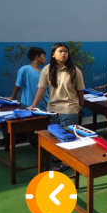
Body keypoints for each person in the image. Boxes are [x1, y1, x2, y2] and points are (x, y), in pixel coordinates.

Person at [31, 43, 85, 173]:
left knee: (68, 137)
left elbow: (80, 91)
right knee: (55, 135)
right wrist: (33, 105)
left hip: (69, 108)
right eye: (60, 51)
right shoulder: (47, 69)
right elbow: (41, 88)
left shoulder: (75, 70)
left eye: (65, 51)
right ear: (53, 55)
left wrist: (80, 105)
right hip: (53, 108)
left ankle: (66, 162)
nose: (63, 53)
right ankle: (60, 156)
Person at [10, 46, 48, 111]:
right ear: (37, 58)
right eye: (43, 56)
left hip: (45, 106)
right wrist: (13, 97)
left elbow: (47, 90)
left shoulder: (44, 72)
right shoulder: (25, 69)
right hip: (29, 106)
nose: (45, 59)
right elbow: (18, 85)